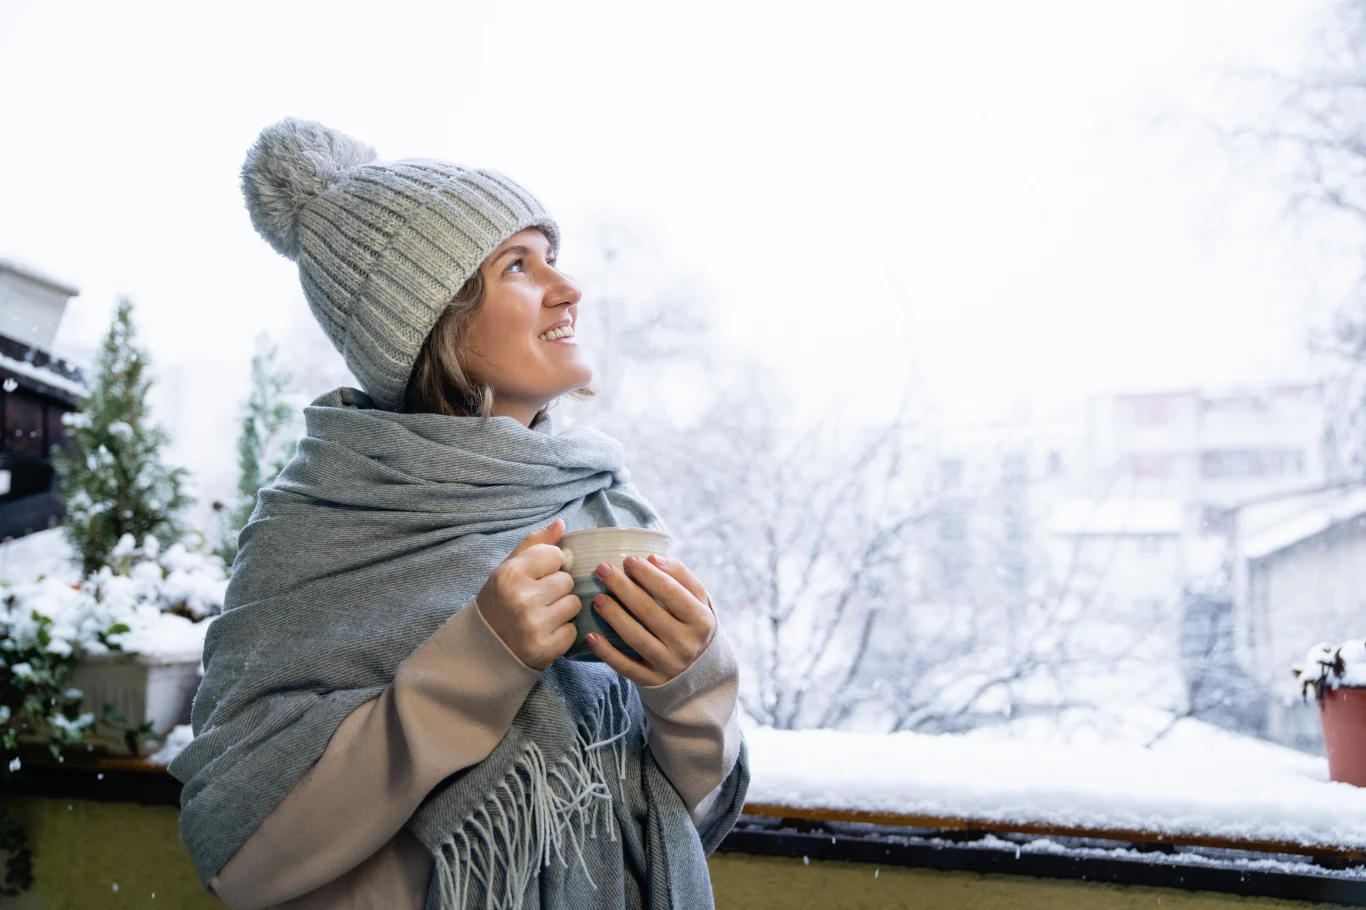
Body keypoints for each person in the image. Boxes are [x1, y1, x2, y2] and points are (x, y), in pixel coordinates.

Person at [167, 116, 749, 910]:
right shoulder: (322, 526)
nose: (568, 289)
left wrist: (692, 687)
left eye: (554, 259)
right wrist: (476, 667)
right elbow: (241, 852)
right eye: (518, 265)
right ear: (431, 318)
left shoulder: (602, 501)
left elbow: (684, 822)